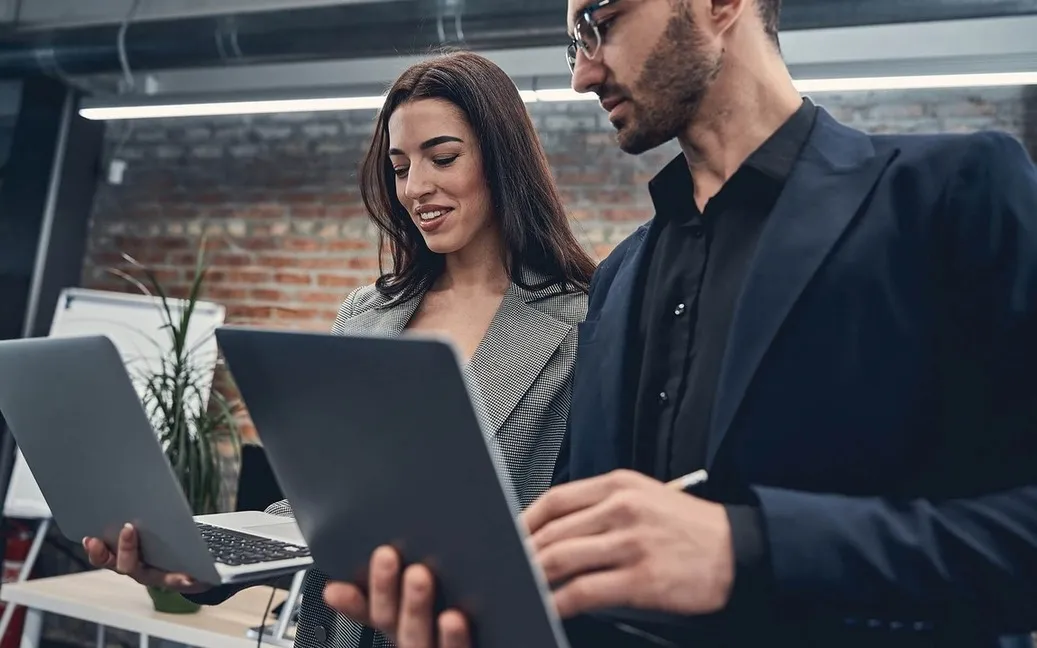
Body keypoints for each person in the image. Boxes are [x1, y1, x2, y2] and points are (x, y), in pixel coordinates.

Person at [321, 0, 1037, 646]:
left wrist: (745, 548)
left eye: (599, 22)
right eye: (575, 41)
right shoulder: (620, 282)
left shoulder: (948, 196)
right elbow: (580, 579)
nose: (583, 72)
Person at [81, 49, 596, 648]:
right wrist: (207, 565)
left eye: (444, 158)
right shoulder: (368, 313)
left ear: (503, 160)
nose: (416, 189)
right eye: (400, 167)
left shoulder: (582, 321)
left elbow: (565, 526)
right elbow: (323, 506)